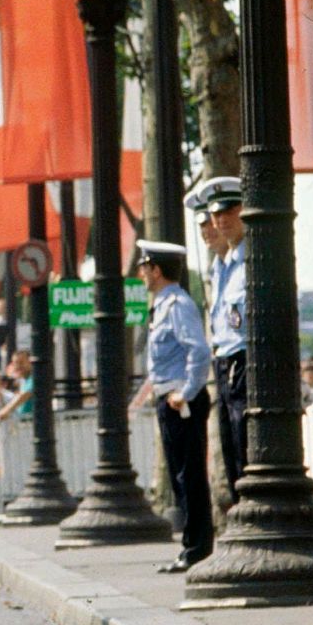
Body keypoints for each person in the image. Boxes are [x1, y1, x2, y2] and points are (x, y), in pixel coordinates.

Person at [131, 240, 213, 573]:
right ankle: (191, 547)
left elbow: (199, 350)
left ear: (156, 269)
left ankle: (197, 548)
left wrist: (187, 391)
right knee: (181, 477)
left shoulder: (177, 304)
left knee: (189, 475)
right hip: (170, 398)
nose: (141, 274)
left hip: (181, 400)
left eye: (144, 268)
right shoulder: (164, 304)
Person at [188, 176, 248, 501]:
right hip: (225, 363)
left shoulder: (248, 261)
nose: (220, 221)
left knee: (244, 443)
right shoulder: (222, 267)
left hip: (243, 360)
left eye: (228, 212)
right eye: (215, 216)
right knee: (230, 445)